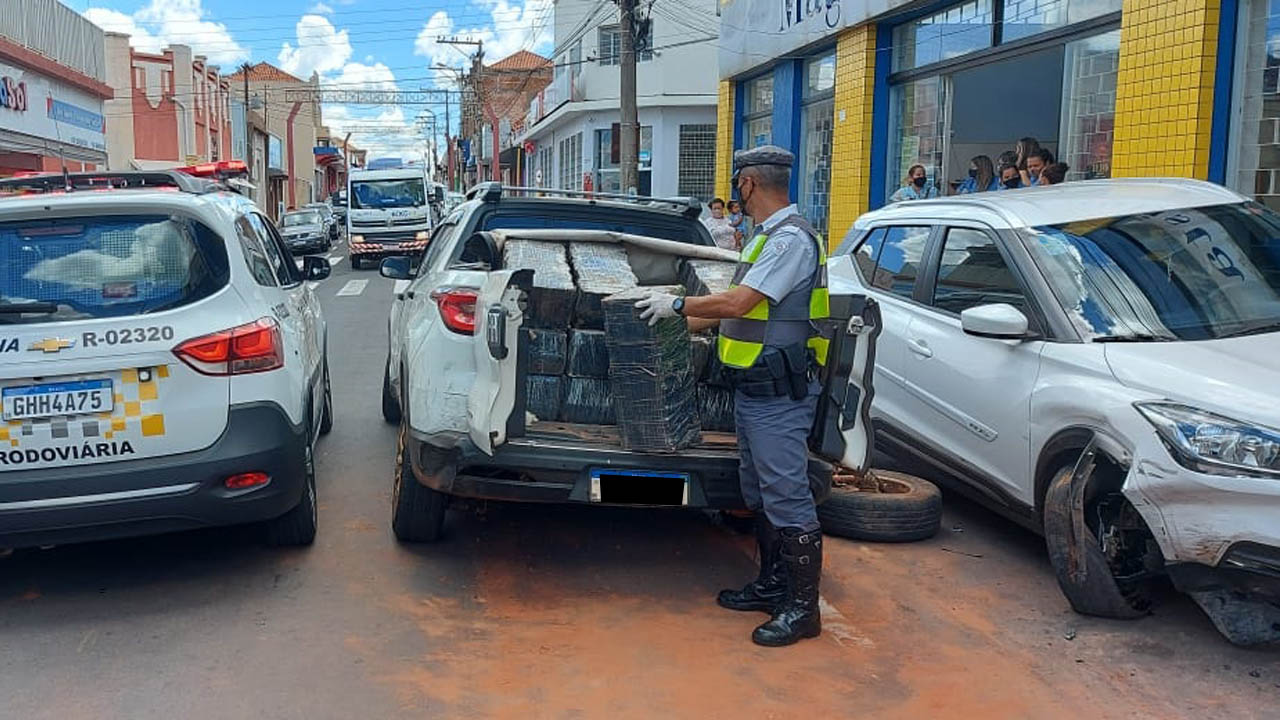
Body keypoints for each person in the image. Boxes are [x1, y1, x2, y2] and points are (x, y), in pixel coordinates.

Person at [635, 145, 829, 648]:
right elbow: (734, 315)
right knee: (761, 493)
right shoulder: (765, 240)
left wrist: (677, 302)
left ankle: (803, 610)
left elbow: (739, 300)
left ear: (747, 184)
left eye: (736, 184)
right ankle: (772, 586)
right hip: (754, 392)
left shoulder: (790, 242)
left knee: (787, 495)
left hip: (779, 394)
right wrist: (667, 324)